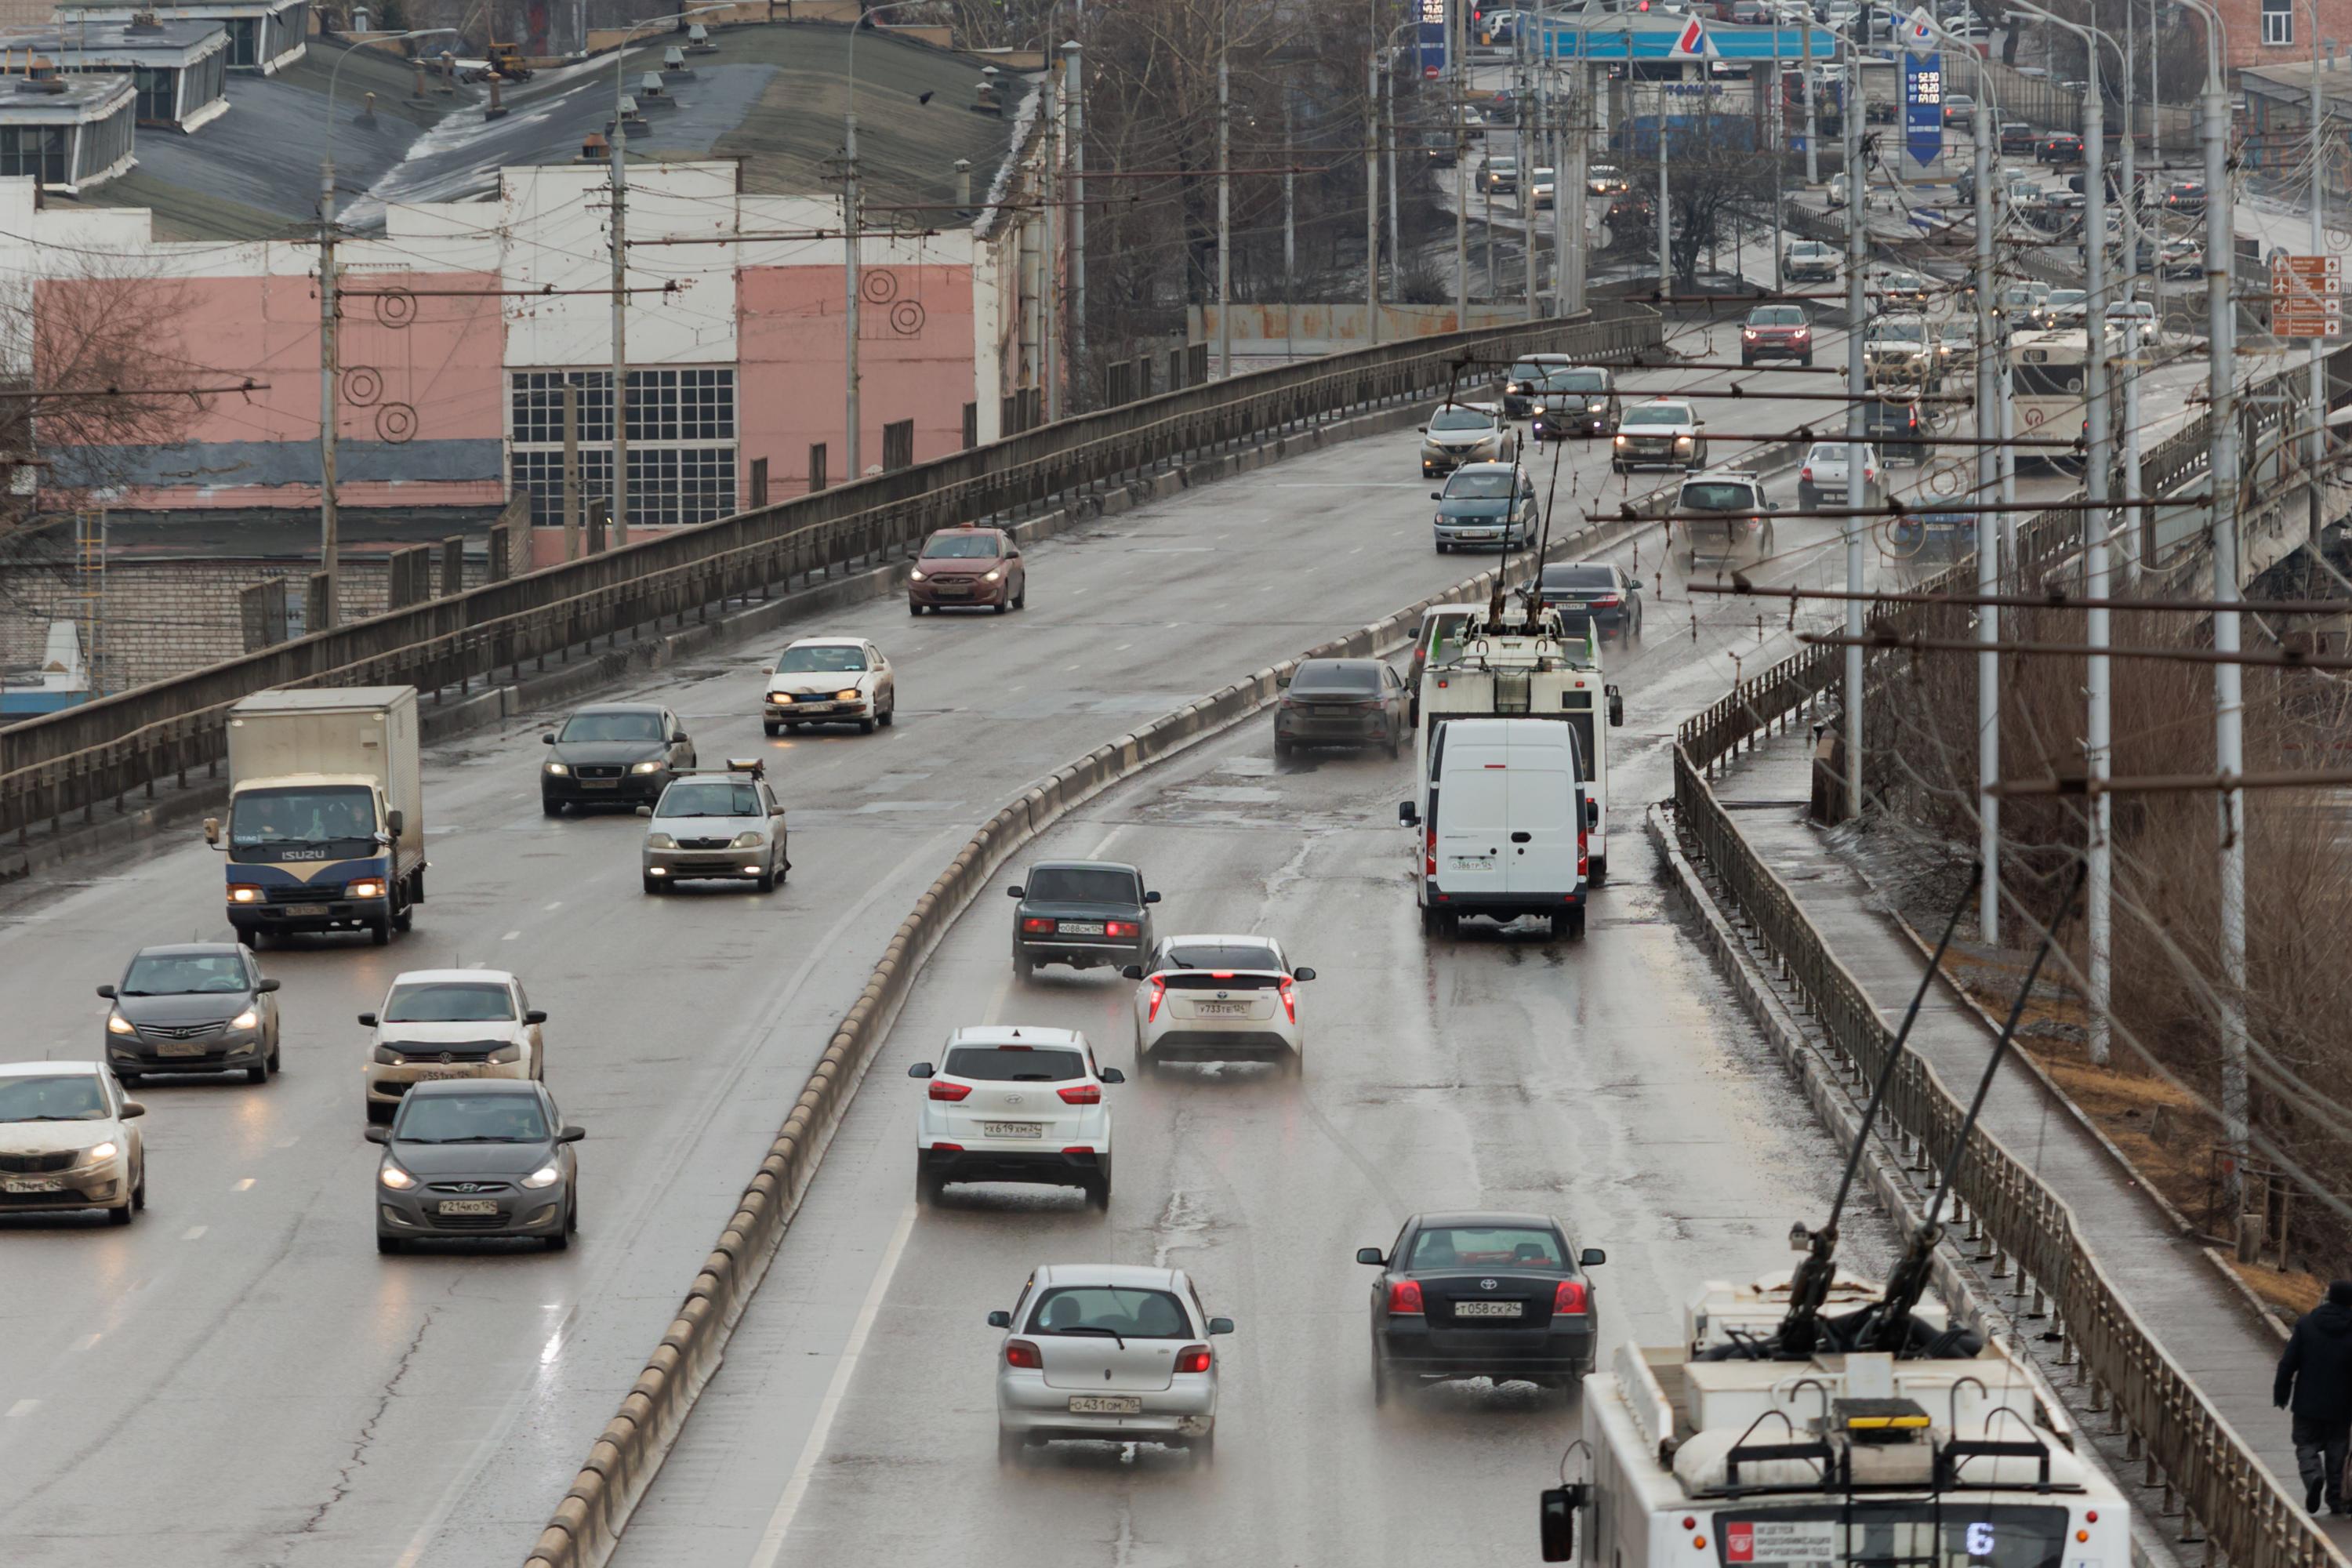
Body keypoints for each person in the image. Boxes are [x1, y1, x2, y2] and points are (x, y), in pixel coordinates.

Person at [2274, 1279, 2352, 1514]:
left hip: (2308, 1402)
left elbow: (2288, 1362)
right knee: (2337, 1450)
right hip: (2342, 1406)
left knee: (2305, 1444)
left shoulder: (2306, 1324)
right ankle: (2335, 1499)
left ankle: (2313, 1476)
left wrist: (2282, 1392)